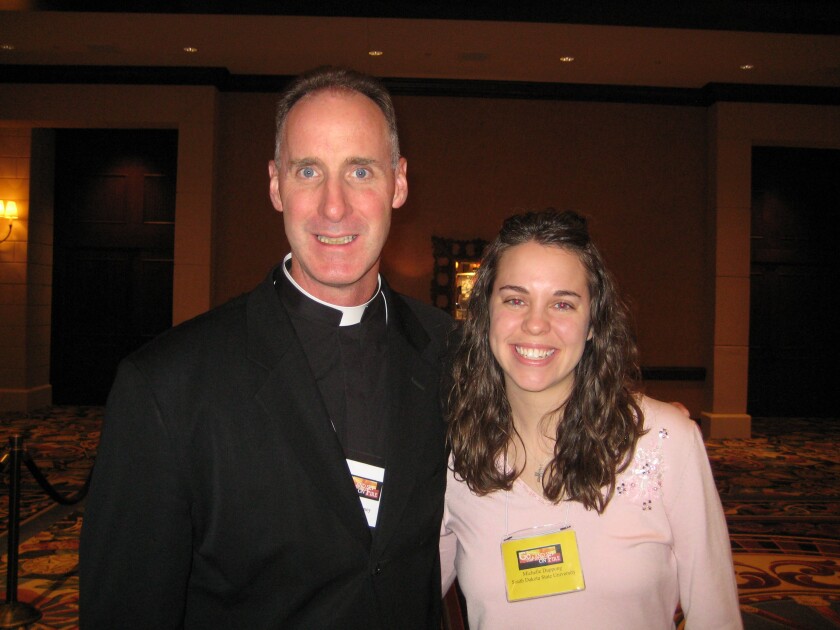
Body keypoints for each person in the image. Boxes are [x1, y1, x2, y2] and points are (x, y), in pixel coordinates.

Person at [80, 67, 452, 629]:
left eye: (360, 170)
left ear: (398, 183)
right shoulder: (167, 385)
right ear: (276, 184)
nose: (334, 206)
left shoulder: (454, 355)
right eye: (309, 171)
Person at [439, 209, 742, 629]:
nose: (535, 324)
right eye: (515, 299)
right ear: (485, 313)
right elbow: (397, 592)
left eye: (562, 303)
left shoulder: (665, 444)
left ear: (593, 324)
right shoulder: (456, 456)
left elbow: (716, 616)